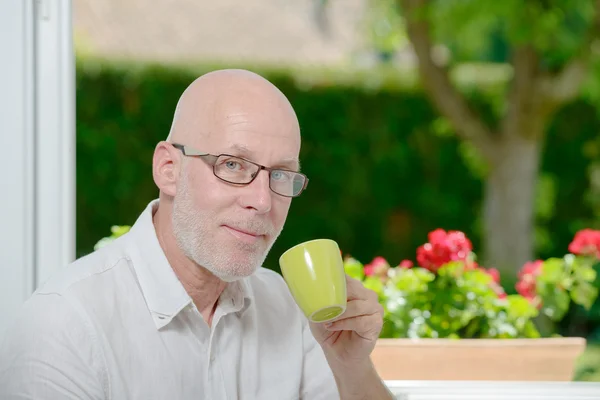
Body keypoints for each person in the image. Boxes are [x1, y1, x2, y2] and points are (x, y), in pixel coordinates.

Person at [0, 69, 395, 399]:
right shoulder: (66, 325)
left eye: (280, 175)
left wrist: (351, 367)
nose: (262, 200)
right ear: (169, 169)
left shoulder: (290, 311)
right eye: (233, 164)